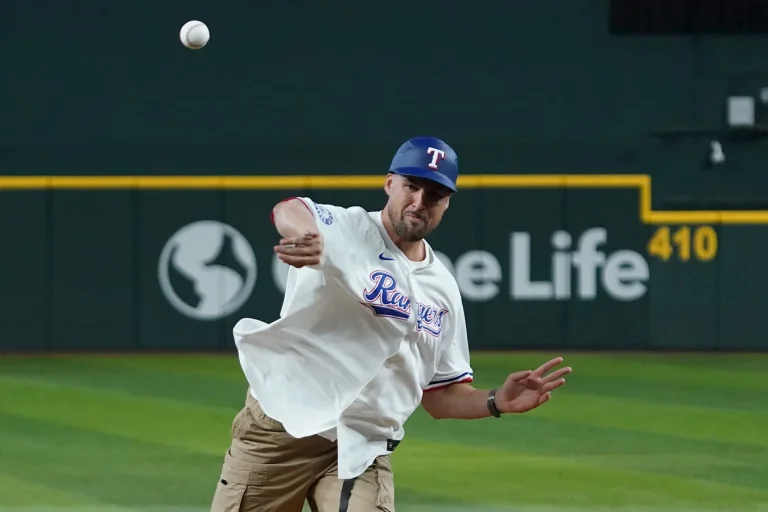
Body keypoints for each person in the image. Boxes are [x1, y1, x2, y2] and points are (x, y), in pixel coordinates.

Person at [209, 136, 571, 512]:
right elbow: (290, 207)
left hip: (362, 449)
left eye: (434, 193)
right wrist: (304, 235)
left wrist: (496, 401)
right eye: (411, 186)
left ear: (447, 202)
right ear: (389, 184)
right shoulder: (347, 229)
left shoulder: (443, 289)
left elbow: (441, 395)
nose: (419, 202)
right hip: (280, 432)